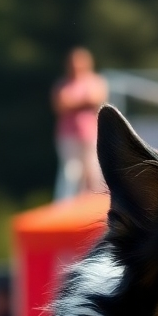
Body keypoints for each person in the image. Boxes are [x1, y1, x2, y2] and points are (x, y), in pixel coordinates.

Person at [52, 48, 108, 201]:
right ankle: (64, 205)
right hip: (68, 135)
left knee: (93, 171)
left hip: (91, 133)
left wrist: (73, 104)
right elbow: (60, 105)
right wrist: (84, 103)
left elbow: (97, 100)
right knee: (71, 172)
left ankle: (96, 205)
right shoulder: (63, 83)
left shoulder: (94, 81)